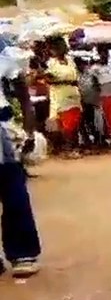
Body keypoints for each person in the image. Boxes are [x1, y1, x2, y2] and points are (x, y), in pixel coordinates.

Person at [0, 41, 41, 278]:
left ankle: (22, 253)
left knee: (14, 192)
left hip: (3, 131)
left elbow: (22, 93)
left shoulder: (3, 50)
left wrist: (29, 129)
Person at [43, 36, 82, 155]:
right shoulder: (50, 63)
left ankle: (70, 147)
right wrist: (62, 81)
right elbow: (47, 78)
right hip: (59, 95)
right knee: (61, 122)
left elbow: (77, 76)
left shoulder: (70, 61)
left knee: (73, 120)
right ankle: (65, 148)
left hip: (73, 93)